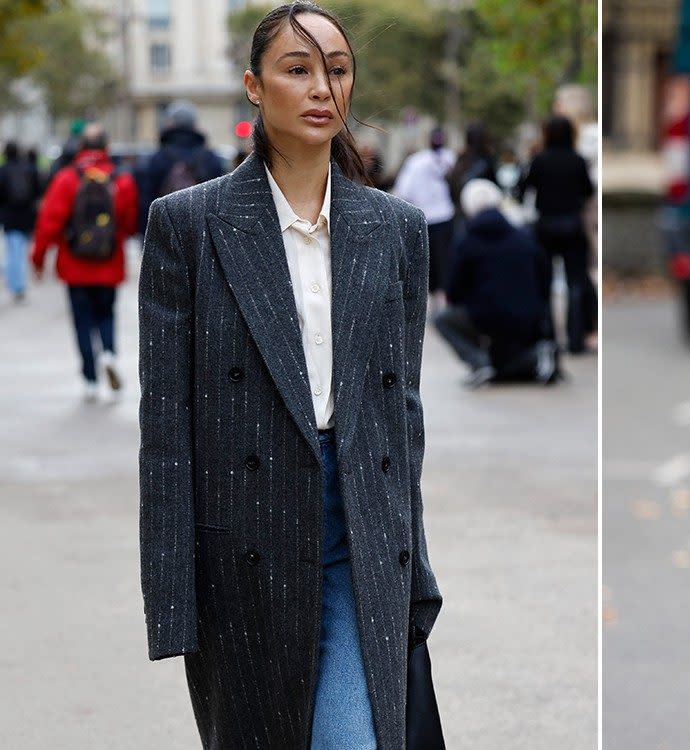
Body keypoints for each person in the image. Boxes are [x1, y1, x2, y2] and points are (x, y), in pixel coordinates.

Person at [137, 4, 441, 748]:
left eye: (335, 70)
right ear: (252, 85)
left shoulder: (394, 228)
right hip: (241, 537)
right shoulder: (189, 225)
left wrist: (415, 569)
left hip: (355, 530)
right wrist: (174, 596)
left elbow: (401, 418)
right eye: (297, 69)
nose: (320, 89)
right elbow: (166, 430)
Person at [30, 124, 138, 402]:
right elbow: (128, 222)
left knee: (82, 322)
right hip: (109, 262)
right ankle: (110, 355)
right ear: (106, 148)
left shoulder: (67, 178)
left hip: (74, 264)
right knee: (106, 314)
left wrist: (39, 257)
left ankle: (90, 379)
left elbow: (49, 222)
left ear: (80, 149)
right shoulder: (120, 179)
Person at [435, 178, 557, 388]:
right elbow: (545, 277)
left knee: (442, 320)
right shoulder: (523, 236)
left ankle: (479, 363)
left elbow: (454, 287)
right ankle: (537, 354)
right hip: (528, 314)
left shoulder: (466, 241)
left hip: (485, 315)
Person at [518, 116, 596, 353]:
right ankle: (575, 338)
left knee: (546, 284)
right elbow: (588, 190)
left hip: (545, 226)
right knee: (575, 283)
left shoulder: (539, 160)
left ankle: (549, 336)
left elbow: (523, 188)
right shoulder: (578, 160)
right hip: (572, 224)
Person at [137, 99, 226, 233]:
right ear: (195, 125)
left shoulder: (157, 159)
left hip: (166, 235)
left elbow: (146, 204)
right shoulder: (210, 158)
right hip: (202, 236)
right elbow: (221, 204)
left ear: (170, 123)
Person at [392, 127, 456, 300]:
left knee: (425, 265)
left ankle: (430, 301)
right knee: (444, 262)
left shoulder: (415, 161)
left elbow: (403, 191)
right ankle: (443, 300)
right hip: (445, 216)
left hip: (423, 218)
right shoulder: (450, 159)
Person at [0, 141, 39, 302]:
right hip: (27, 216)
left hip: (9, 216)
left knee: (13, 249)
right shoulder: (29, 169)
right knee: (21, 250)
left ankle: (15, 282)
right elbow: (37, 191)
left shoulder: (3, 171)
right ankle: (18, 282)